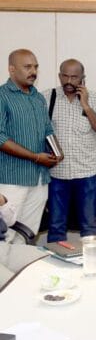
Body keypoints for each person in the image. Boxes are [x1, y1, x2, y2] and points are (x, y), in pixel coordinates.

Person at [42, 59, 96, 243]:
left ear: (83, 78)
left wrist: (86, 105)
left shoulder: (95, 98)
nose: (69, 81)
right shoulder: (46, 98)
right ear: (59, 76)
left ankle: (92, 259)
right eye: (65, 76)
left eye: (74, 77)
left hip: (86, 174)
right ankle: (57, 260)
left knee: (89, 226)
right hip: (56, 174)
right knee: (56, 226)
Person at [0, 49, 59, 241]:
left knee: (27, 236)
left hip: (39, 179)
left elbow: (47, 130)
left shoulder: (38, 97)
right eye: (27, 67)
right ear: (12, 69)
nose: (33, 71)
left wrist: (57, 151)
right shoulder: (2, 96)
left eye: (35, 67)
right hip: (12, 180)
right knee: (5, 236)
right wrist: (35, 157)